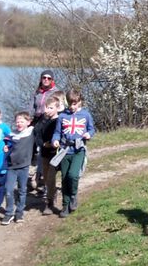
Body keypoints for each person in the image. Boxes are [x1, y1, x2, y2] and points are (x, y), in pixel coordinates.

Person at [52, 89, 95, 218]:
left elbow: (91, 129)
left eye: (75, 104)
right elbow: (57, 132)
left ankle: (73, 195)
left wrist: (89, 134)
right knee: (64, 178)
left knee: (73, 175)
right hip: (65, 151)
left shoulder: (86, 115)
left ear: (80, 102)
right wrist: (55, 140)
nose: (72, 107)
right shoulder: (62, 116)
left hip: (78, 150)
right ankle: (65, 205)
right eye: (70, 104)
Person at [2, 111, 35, 225]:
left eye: (22, 121)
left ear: (28, 122)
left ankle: (19, 212)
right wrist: (6, 147)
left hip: (24, 166)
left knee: (22, 190)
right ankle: (9, 213)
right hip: (11, 167)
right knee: (8, 190)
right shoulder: (11, 135)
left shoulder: (31, 132)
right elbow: (7, 145)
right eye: (17, 121)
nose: (19, 123)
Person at [35, 94, 63, 214]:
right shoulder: (43, 121)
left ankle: (50, 202)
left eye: (51, 108)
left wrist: (54, 143)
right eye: (46, 107)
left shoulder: (60, 120)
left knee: (51, 178)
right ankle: (53, 193)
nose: (47, 110)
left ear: (57, 108)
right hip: (45, 153)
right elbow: (38, 136)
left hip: (56, 154)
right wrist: (43, 144)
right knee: (46, 179)